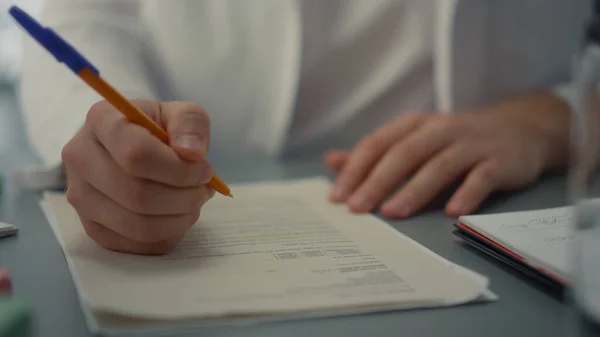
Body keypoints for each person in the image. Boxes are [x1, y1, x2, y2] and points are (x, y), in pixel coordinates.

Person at [17, 0, 590, 254]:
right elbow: (82, 19)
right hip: (207, 207)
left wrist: (566, 114)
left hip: (512, 203)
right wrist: (106, 133)